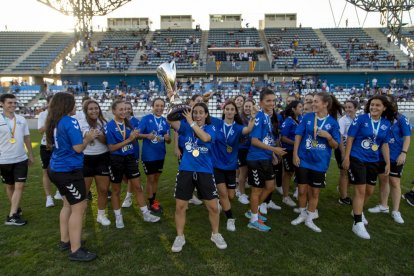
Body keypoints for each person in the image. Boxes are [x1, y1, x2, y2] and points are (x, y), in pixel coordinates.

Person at [168, 103, 227, 252]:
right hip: (186, 170)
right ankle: (180, 236)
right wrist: (176, 106)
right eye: (195, 112)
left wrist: (191, 122)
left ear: (206, 115)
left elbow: (205, 138)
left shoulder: (210, 128)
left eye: (201, 112)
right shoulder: (186, 126)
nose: (198, 115)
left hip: (205, 172)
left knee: (213, 207)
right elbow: (170, 119)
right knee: (180, 206)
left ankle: (215, 234)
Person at [46, 92, 97, 261]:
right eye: (73, 103)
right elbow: (77, 148)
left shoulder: (54, 121)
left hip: (57, 169)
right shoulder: (70, 121)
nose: (76, 106)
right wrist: (88, 138)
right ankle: (76, 250)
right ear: (66, 105)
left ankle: (65, 240)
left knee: (67, 205)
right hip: (68, 171)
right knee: (79, 208)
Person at [342, 95, 395, 239]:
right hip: (357, 157)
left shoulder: (386, 123)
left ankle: (356, 211)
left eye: (378, 105)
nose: (374, 107)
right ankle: (357, 223)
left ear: (384, 108)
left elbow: (384, 144)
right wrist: (346, 157)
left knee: (370, 191)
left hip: (373, 160)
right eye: (372, 105)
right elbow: (350, 138)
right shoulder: (361, 119)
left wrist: (388, 162)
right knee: (360, 190)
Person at [105, 100, 160, 229]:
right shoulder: (109, 126)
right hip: (116, 160)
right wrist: (129, 139)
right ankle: (118, 217)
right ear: (114, 111)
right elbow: (111, 148)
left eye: (126, 109)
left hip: (130, 158)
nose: (124, 111)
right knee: (116, 190)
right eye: (121, 109)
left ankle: (146, 214)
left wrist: (138, 137)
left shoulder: (128, 124)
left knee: (138, 187)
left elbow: (134, 137)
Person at [292, 92, 342, 233]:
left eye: (316, 101)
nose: (312, 104)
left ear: (325, 104)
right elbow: (298, 136)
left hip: (320, 163)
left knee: (314, 192)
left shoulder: (332, 123)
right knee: (302, 190)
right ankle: (302, 214)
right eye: (312, 101)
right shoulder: (307, 117)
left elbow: (335, 145)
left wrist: (328, 137)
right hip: (303, 159)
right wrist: (295, 154)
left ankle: (310, 218)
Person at [211, 100, 256, 232]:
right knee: (223, 193)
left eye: (232, 109)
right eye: (227, 109)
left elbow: (248, 129)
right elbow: (203, 115)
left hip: (231, 166)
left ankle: (220, 203)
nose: (229, 111)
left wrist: (253, 117)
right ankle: (230, 219)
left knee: (230, 196)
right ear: (224, 110)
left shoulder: (237, 127)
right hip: (217, 165)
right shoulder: (217, 123)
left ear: (235, 112)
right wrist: (205, 101)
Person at [245, 88, 286, 232]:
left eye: (273, 100)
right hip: (256, 159)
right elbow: (254, 141)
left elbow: (266, 140)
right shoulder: (260, 117)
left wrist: (272, 154)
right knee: (257, 190)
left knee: (270, 187)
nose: (272, 103)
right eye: (268, 100)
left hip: (266, 158)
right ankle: (253, 220)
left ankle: (253, 211)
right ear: (261, 102)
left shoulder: (267, 117)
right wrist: (274, 150)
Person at [368, 95, 410, 224]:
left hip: (396, 156)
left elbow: (407, 137)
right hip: (381, 155)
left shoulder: (401, 118)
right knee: (383, 180)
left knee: (395, 182)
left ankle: (396, 211)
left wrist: (403, 153)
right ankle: (383, 206)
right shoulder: (382, 119)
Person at [0, 93, 34, 226]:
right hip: (3, 160)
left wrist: (30, 154)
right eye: (10, 103)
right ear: (2, 103)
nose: (13, 105)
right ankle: (16, 209)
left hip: (20, 158)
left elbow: (27, 137)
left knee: (20, 185)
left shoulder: (21, 119)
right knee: (10, 186)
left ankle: (12, 215)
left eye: (15, 103)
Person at [79, 100, 111, 226]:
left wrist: (98, 135)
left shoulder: (104, 122)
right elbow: (83, 140)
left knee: (103, 190)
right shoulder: (80, 123)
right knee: (84, 191)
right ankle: (80, 214)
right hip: (86, 159)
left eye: (96, 108)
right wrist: (90, 136)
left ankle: (101, 215)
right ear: (86, 111)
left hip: (102, 158)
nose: (94, 111)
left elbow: (107, 142)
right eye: (91, 109)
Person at [137, 98, 171, 213]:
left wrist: (168, 138)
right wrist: (146, 135)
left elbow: (168, 140)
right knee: (150, 179)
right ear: (153, 106)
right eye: (157, 105)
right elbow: (137, 135)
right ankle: (151, 203)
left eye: (162, 106)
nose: (159, 108)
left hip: (160, 155)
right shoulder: (146, 119)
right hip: (149, 155)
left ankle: (153, 199)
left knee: (156, 178)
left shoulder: (166, 121)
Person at [173, 95, 204, 205]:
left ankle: (191, 194)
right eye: (197, 100)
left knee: (195, 170)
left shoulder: (199, 114)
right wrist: (176, 147)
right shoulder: (184, 113)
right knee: (184, 171)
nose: (199, 102)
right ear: (191, 101)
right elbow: (177, 130)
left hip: (197, 147)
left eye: (201, 101)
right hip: (184, 147)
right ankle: (186, 196)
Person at [38, 94, 59, 207]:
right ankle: (48, 197)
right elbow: (41, 131)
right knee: (46, 171)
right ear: (48, 103)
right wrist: (50, 119)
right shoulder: (43, 114)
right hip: (45, 146)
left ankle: (59, 191)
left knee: (60, 170)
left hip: (59, 147)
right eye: (51, 103)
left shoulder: (63, 115)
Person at [280, 100, 303, 207]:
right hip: (288, 151)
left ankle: (297, 192)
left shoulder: (301, 119)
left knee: (296, 172)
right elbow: (283, 138)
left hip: (298, 151)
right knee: (288, 173)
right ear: (293, 109)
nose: (302, 108)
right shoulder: (288, 121)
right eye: (300, 107)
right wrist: (295, 143)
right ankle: (285, 196)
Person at [336, 100, 358, 205]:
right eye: (346, 107)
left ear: (356, 108)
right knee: (344, 173)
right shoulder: (343, 120)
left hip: (353, 149)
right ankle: (343, 197)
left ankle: (341, 187)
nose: (347, 109)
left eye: (350, 107)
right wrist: (343, 153)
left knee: (351, 173)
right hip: (342, 148)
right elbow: (339, 137)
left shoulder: (358, 119)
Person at [121, 102, 140, 208]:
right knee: (124, 175)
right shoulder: (118, 121)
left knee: (131, 175)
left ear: (131, 109)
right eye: (124, 108)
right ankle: (134, 184)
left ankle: (128, 198)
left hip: (133, 152)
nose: (127, 110)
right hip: (120, 152)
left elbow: (138, 135)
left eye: (129, 108)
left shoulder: (136, 121)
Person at [237, 99, 255, 204]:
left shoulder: (256, 117)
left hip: (253, 148)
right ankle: (241, 193)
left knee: (250, 171)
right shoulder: (239, 118)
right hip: (242, 148)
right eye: (246, 106)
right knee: (243, 172)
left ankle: (244, 191)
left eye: (250, 106)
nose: (247, 108)